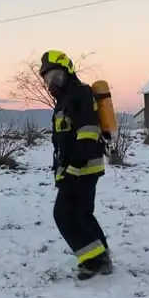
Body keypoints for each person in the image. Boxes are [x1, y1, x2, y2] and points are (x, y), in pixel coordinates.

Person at [39, 50, 112, 279]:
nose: (51, 83)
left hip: (81, 167)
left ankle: (94, 261)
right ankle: (101, 256)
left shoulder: (79, 94)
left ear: (68, 72)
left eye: (55, 76)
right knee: (82, 214)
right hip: (79, 167)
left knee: (64, 215)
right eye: (48, 78)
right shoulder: (65, 99)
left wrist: (74, 167)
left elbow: (87, 131)